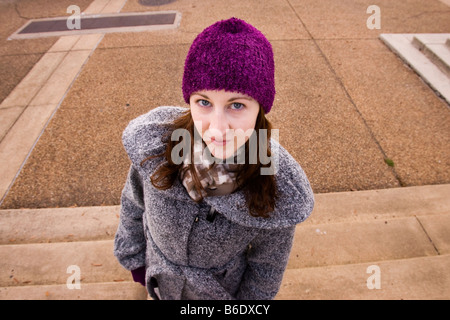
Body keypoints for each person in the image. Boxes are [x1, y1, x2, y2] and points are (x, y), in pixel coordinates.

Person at [114, 17, 314, 300]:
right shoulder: (156, 150)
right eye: (204, 102)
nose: (218, 129)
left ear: (260, 108)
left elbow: (267, 266)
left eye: (236, 105)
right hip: (158, 287)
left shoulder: (273, 182)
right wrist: (136, 263)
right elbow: (134, 205)